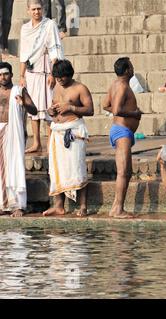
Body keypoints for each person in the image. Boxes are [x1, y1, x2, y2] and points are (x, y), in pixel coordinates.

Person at [42, 60, 94, 217]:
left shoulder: (80, 88)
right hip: (57, 131)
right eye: (57, 78)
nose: (59, 81)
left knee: (76, 168)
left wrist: (71, 107)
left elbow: (90, 110)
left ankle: (83, 206)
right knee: (56, 170)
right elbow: (53, 106)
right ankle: (59, 206)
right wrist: (51, 111)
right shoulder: (56, 86)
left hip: (74, 132)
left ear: (69, 75)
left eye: (62, 78)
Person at [19, 0, 64, 154]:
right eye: (33, 9)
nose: (36, 12)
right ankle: (36, 143)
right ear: (28, 11)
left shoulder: (49, 25)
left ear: (43, 9)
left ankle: (51, 143)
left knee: (49, 109)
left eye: (39, 9)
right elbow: (23, 53)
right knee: (34, 110)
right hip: (31, 72)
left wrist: (53, 73)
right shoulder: (25, 29)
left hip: (46, 72)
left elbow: (54, 49)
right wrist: (21, 75)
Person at [102, 57, 142, 218]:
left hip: (122, 132)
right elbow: (117, 110)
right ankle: (118, 209)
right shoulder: (122, 86)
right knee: (123, 172)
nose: (133, 69)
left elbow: (105, 105)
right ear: (127, 70)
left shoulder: (115, 85)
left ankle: (115, 207)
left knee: (128, 171)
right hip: (122, 132)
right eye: (131, 66)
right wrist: (134, 113)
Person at [0, 62, 38, 217]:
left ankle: (18, 205)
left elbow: (34, 110)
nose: (3, 77)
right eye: (0, 74)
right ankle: (2, 204)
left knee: (15, 167)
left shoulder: (19, 90)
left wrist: (24, 104)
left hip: (13, 133)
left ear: (11, 74)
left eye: (6, 74)